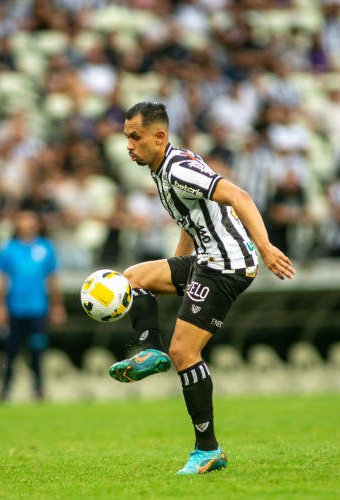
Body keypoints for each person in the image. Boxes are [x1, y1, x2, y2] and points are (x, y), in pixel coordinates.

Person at [109, 102, 295, 475]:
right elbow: (190, 219)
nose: (128, 145)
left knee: (183, 351)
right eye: (126, 137)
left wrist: (266, 246)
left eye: (135, 137)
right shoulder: (162, 168)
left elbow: (238, 196)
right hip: (204, 260)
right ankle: (148, 350)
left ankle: (208, 450)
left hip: (226, 265)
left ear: (159, 137)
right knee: (133, 278)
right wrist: (176, 272)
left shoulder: (178, 169)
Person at [0, 210, 66, 402]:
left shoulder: (45, 248)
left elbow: (53, 279)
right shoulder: (9, 249)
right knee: (10, 351)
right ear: (18, 225)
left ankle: (39, 389)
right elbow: (0, 280)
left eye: (31, 222)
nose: (27, 226)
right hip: (14, 309)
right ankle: (4, 390)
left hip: (38, 309)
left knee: (37, 352)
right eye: (23, 222)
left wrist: (57, 306)